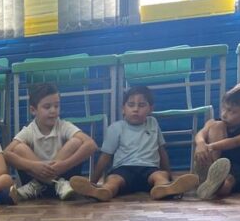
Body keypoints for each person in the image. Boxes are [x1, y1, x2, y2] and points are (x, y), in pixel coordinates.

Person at [69, 86, 199, 202]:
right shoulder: (115, 128)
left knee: (160, 176)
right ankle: (103, 191)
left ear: (150, 109)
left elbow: (161, 151)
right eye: (131, 105)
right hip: (123, 169)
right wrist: (93, 182)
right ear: (123, 109)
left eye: (141, 105)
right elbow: (105, 157)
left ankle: (165, 188)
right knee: (113, 180)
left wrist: (169, 176)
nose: (136, 109)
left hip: (150, 168)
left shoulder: (153, 123)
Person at [4, 82, 97, 202]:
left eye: (56, 106)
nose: (53, 110)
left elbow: (91, 145)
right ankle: (54, 182)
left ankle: (53, 183)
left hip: (66, 187)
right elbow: (6, 153)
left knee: (76, 142)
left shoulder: (64, 126)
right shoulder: (29, 131)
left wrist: (64, 165)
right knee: (18, 148)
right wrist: (33, 166)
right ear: (33, 110)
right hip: (36, 187)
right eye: (47, 107)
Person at [191, 83, 240, 200]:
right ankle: (210, 170)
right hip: (216, 163)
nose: (224, 114)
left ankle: (216, 185)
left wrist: (210, 147)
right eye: (224, 108)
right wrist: (201, 144)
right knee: (216, 125)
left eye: (231, 111)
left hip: (239, 170)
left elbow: (235, 142)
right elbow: (201, 134)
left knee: (229, 181)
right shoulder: (214, 122)